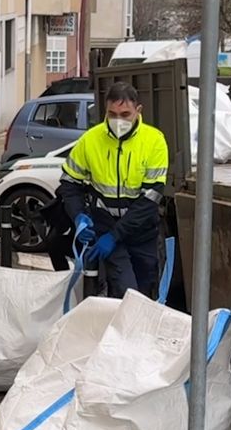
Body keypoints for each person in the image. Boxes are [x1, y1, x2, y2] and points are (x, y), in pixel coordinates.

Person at [57, 82, 170, 298]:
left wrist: (115, 235)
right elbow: (69, 183)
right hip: (105, 226)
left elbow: (150, 199)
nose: (118, 121)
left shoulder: (154, 141)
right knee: (126, 291)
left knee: (145, 294)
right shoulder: (90, 140)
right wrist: (78, 215)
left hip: (141, 232)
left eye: (125, 114)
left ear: (138, 110)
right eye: (112, 114)